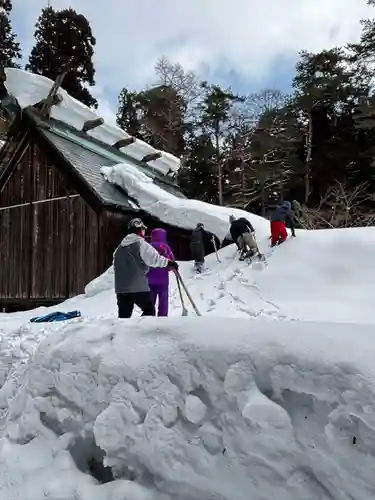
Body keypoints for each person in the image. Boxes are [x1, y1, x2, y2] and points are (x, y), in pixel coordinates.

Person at [113, 218, 178, 318]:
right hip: (138, 287)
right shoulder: (140, 244)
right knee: (149, 311)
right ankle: (143, 332)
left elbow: (116, 266)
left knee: (124, 318)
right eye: (143, 229)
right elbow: (154, 259)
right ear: (139, 230)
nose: (144, 232)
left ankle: (123, 333)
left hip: (121, 289)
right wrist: (169, 263)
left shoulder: (119, 248)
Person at [147, 228, 175, 317]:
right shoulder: (166, 247)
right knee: (163, 301)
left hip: (149, 280)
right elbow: (172, 262)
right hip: (163, 280)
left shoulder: (148, 247)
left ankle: (149, 317)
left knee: (150, 301)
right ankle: (162, 318)